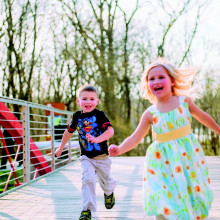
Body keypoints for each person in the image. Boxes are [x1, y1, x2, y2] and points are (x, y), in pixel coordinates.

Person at [109, 58, 220, 220]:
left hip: (187, 158)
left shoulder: (184, 102)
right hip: (162, 162)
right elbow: (135, 138)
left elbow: (203, 117)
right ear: (147, 85)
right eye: (151, 79)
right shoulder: (150, 113)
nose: (156, 81)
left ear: (172, 81)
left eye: (161, 77)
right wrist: (119, 149)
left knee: (189, 190)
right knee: (163, 194)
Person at [55, 85, 116, 220]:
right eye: (84, 99)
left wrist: (96, 139)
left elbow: (110, 131)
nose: (88, 102)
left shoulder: (99, 115)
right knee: (87, 179)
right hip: (86, 157)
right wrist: (60, 148)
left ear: (97, 101)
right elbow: (68, 133)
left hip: (102, 157)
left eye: (92, 99)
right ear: (78, 101)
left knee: (106, 182)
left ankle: (109, 193)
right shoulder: (77, 116)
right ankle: (86, 210)